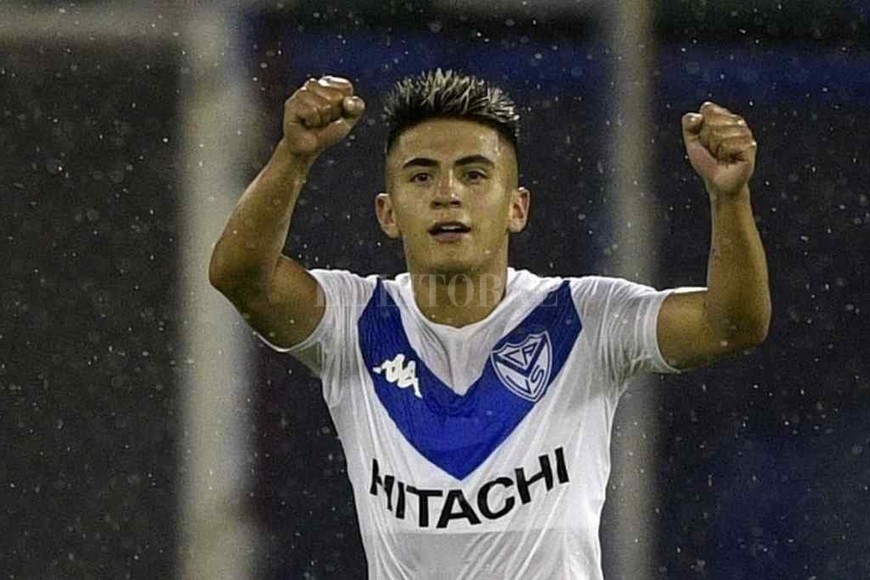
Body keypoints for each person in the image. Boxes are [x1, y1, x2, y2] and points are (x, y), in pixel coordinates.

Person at [209, 69, 770, 579]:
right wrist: (294, 155)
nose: (447, 194)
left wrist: (730, 198)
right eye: (421, 176)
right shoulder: (353, 321)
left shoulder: (586, 319)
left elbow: (734, 323)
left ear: (516, 208)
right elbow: (239, 276)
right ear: (388, 213)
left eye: (474, 174)